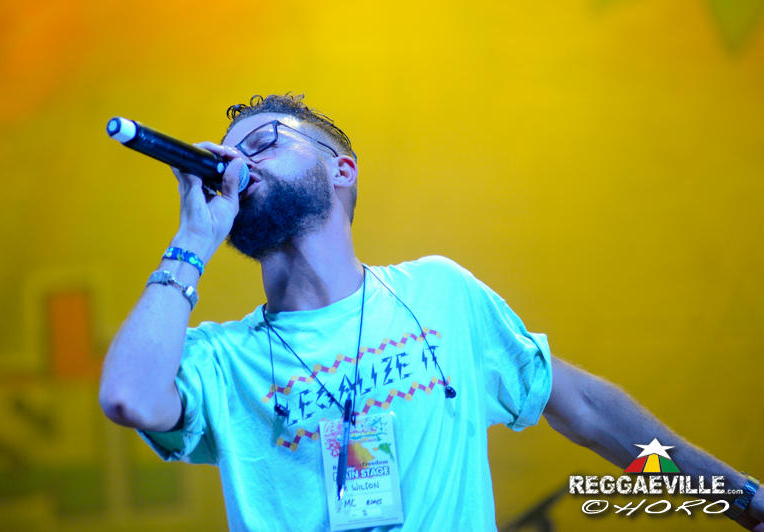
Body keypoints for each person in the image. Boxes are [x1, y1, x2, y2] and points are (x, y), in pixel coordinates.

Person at [99, 93, 763, 531]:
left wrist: (735, 497)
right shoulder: (222, 361)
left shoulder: (439, 295)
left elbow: (589, 412)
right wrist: (193, 239)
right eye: (228, 153)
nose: (237, 163)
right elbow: (129, 398)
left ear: (342, 170)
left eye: (264, 141)